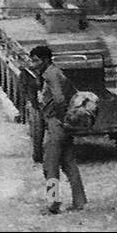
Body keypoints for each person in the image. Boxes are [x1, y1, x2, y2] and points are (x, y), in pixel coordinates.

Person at [29, 44, 86, 214]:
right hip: (62, 126)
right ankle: (79, 201)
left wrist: (61, 119)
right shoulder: (55, 71)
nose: (33, 64)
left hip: (55, 125)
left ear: (45, 60)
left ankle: (53, 203)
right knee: (69, 163)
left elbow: (59, 99)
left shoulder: (50, 74)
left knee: (50, 166)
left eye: (36, 60)